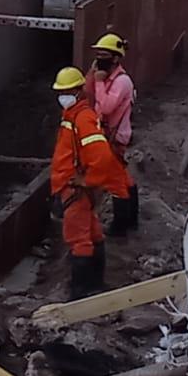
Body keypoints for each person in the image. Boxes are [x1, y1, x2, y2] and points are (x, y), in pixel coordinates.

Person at [50, 66, 131, 300]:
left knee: (78, 239)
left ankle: (81, 291)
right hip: (75, 187)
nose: (63, 96)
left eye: (68, 91)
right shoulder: (74, 116)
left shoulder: (81, 118)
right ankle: (96, 285)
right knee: (93, 234)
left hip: (74, 188)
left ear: (78, 91)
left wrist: (88, 180)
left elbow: (102, 156)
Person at [85, 33, 138, 235]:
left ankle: (121, 227)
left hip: (115, 137)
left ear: (116, 58)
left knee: (116, 183)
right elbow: (88, 93)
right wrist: (93, 76)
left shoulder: (122, 82)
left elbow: (106, 107)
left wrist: (99, 82)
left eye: (103, 54)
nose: (100, 58)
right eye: (97, 54)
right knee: (124, 178)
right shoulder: (105, 77)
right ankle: (131, 220)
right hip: (107, 134)